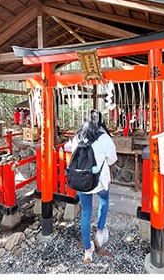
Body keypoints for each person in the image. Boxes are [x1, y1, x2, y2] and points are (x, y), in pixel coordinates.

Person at [67, 109, 118, 263]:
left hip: (82, 181)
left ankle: (88, 251)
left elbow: (70, 153)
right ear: (100, 122)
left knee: (86, 212)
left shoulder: (77, 137)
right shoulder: (104, 138)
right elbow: (111, 160)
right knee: (104, 201)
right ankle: (100, 233)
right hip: (100, 181)